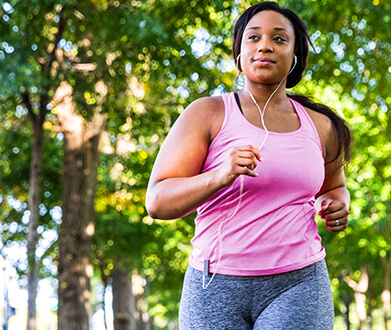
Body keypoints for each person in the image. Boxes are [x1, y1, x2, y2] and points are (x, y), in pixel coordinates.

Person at [144, 2, 352, 329]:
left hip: (298, 283)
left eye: (279, 39)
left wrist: (338, 204)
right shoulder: (207, 114)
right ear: (239, 53)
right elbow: (157, 202)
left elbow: (334, 187)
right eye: (253, 37)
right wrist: (220, 175)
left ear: (295, 55)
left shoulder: (322, 126)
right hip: (213, 284)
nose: (265, 45)